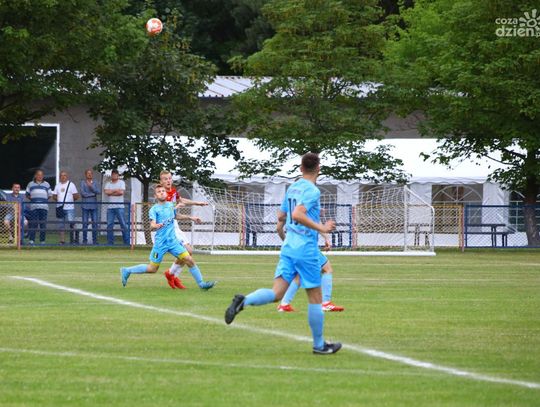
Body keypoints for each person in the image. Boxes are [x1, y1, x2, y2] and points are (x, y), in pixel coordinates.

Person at [225, 153, 342, 355]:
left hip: (288, 246)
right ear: (318, 168)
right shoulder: (312, 190)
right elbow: (297, 214)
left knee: (276, 293)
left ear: (301, 168)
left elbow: (281, 215)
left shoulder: (293, 187)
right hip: (305, 248)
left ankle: (244, 301)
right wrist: (321, 227)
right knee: (315, 298)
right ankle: (319, 345)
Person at [120, 183, 215, 290]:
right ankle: (127, 270)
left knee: (189, 259)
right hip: (160, 243)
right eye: (159, 192)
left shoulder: (171, 205)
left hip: (173, 242)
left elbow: (176, 216)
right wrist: (155, 225)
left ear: (166, 193)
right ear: (155, 196)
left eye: (163, 191)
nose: (161, 193)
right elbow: (152, 224)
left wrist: (191, 218)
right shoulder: (154, 209)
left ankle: (202, 284)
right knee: (152, 268)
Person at [276, 217, 344, 312]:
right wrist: (326, 237)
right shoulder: (306, 209)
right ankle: (326, 303)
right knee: (327, 269)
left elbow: (278, 228)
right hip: (307, 246)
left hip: (293, 248)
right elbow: (316, 224)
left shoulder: (288, 209)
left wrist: (287, 242)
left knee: (299, 275)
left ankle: (284, 304)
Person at [159, 170, 209, 289]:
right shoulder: (161, 194)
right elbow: (167, 213)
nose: (168, 181)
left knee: (189, 251)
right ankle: (174, 276)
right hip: (168, 228)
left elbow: (181, 200)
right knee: (186, 253)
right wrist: (178, 207)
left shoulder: (172, 191)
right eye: (165, 179)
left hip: (175, 225)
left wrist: (197, 203)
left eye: (169, 178)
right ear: (161, 181)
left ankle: (171, 274)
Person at [53, 171, 80, 244]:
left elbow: (76, 196)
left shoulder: (71, 185)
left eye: (64, 175)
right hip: (60, 208)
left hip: (70, 208)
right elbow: (54, 196)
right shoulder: (57, 185)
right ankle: (62, 241)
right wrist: (59, 200)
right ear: (60, 177)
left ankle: (74, 239)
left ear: (67, 176)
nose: (63, 177)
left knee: (72, 224)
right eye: (61, 175)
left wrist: (69, 200)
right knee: (61, 225)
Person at [25, 169, 52, 245]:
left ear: (43, 176)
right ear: (36, 175)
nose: (40, 176)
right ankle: (31, 240)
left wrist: (42, 200)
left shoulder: (47, 184)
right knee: (33, 224)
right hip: (34, 207)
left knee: (43, 225)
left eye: (41, 175)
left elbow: (50, 195)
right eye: (38, 175)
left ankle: (42, 241)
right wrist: (34, 199)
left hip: (44, 207)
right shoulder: (30, 184)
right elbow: (27, 194)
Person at [104, 169, 129, 245]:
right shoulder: (108, 183)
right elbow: (106, 192)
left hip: (120, 206)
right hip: (110, 207)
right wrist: (116, 190)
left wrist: (111, 192)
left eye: (115, 174)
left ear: (118, 175)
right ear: (111, 175)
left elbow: (121, 192)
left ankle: (126, 242)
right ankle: (110, 242)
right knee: (109, 225)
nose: (114, 176)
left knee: (123, 224)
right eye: (113, 174)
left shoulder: (122, 182)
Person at [80, 169, 100, 244]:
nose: (89, 174)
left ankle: (95, 240)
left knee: (95, 223)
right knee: (85, 223)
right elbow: (83, 193)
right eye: (88, 173)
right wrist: (92, 194)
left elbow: (98, 191)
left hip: (94, 206)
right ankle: (84, 240)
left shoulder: (95, 182)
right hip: (85, 205)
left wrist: (91, 187)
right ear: (85, 174)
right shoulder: (83, 182)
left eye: (91, 173)